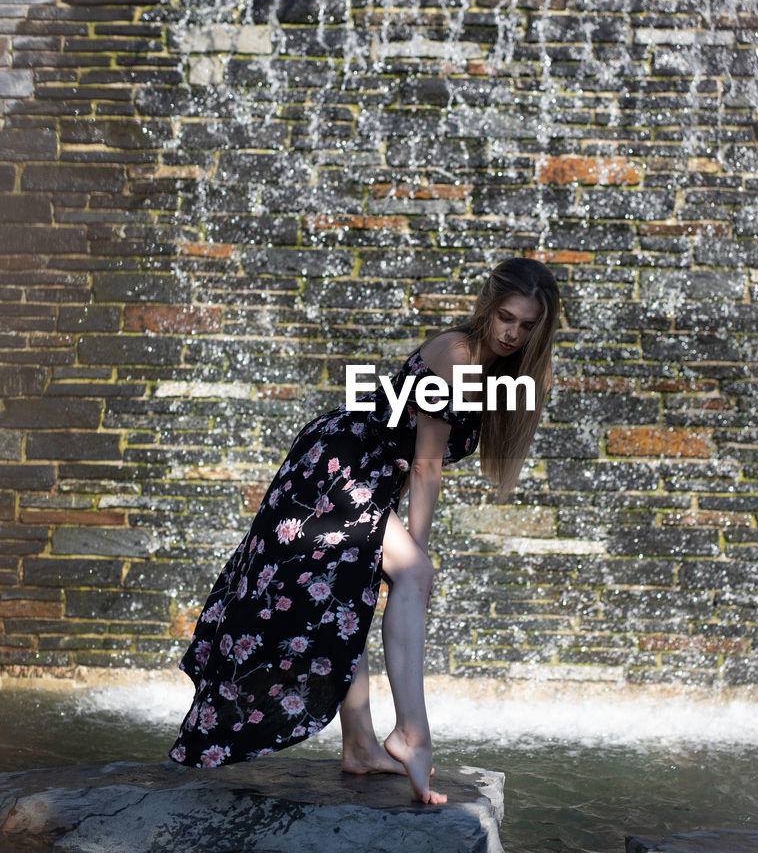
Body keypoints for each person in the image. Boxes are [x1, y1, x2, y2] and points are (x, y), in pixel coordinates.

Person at [168, 257, 561, 803]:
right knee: (410, 574)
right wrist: (416, 559)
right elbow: (425, 466)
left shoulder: (498, 374)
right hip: (335, 467)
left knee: (347, 603)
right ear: (486, 306)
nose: (512, 333)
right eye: (505, 317)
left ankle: (358, 747)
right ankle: (412, 734)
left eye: (525, 326)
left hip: (362, 475)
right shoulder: (457, 356)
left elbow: (413, 464)